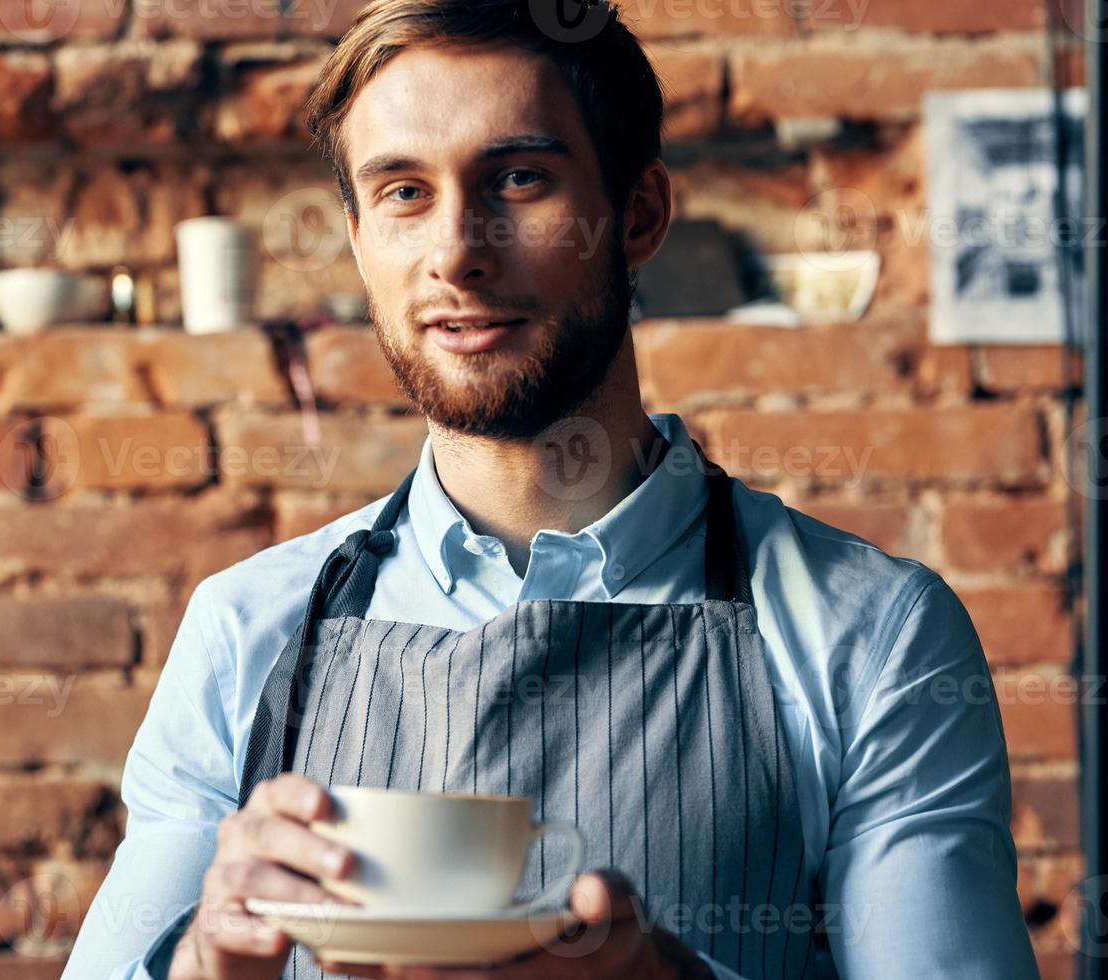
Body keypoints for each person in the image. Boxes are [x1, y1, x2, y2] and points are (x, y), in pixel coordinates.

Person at [63, 1, 1040, 977]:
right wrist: (197, 959)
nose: (456, 250)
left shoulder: (874, 633)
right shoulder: (247, 630)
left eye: (519, 178)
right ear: (360, 243)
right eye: (404, 192)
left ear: (640, 215)